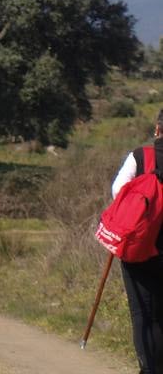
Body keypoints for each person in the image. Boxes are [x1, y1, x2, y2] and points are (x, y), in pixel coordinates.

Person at [111, 109, 163, 373]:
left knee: (143, 314)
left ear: (157, 129)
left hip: (140, 247)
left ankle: (150, 368)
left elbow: (118, 192)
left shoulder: (141, 156)